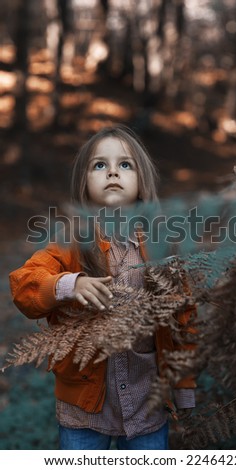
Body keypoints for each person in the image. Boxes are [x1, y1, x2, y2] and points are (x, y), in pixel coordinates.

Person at [9, 125, 196, 450]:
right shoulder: (71, 243)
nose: (112, 171)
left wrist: (183, 387)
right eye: (99, 165)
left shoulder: (162, 248)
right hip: (83, 410)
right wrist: (67, 284)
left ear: (142, 183)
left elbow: (183, 320)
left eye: (125, 164)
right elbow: (24, 284)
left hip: (146, 408)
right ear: (84, 184)